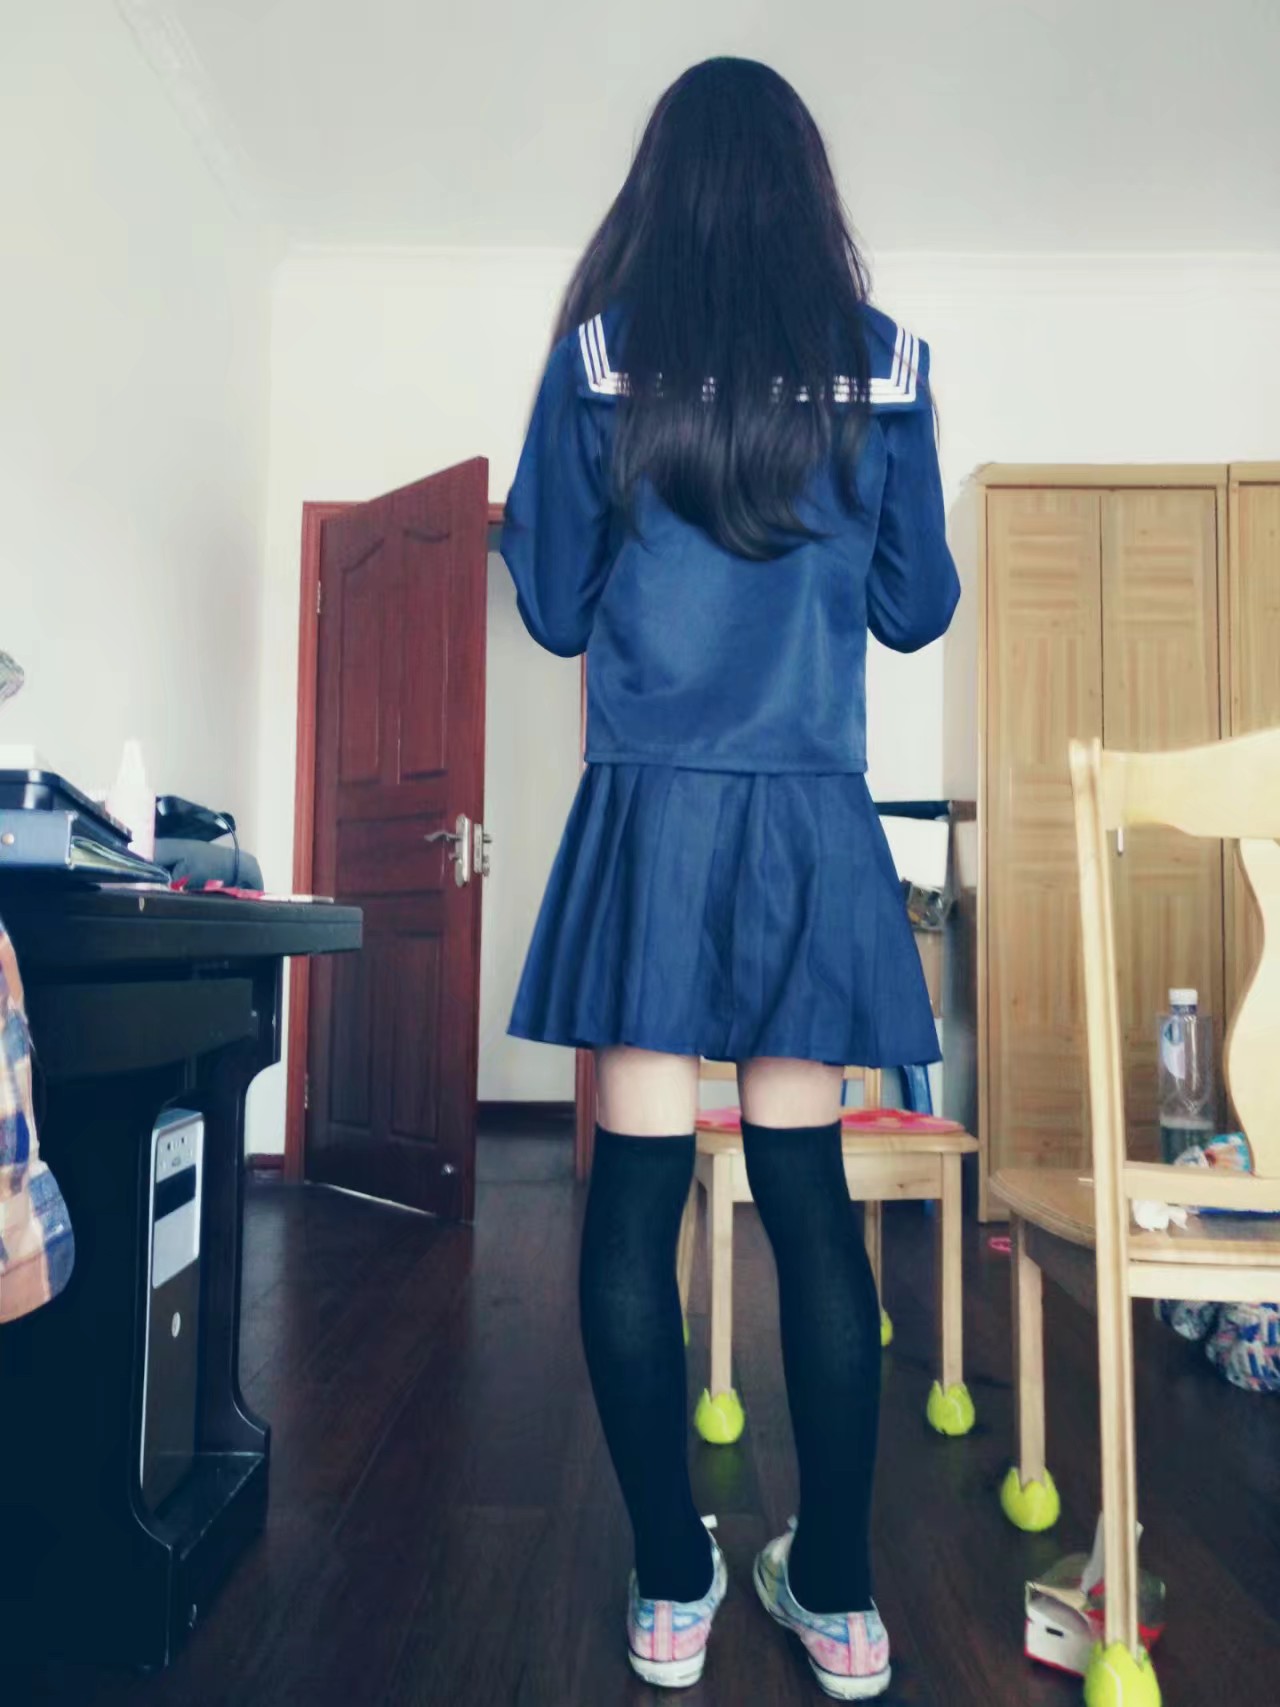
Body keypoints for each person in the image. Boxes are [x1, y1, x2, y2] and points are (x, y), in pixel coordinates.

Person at [501, 57, 959, 1702]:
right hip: (809, 830)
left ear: (663, 191)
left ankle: (671, 1584)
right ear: (802, 194)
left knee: (631, 1207)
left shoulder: (599, 359)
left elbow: (549, 604)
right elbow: (914, 608)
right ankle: (838, 1601)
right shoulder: (885, 368)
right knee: (812, 1207)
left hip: (650, 824)